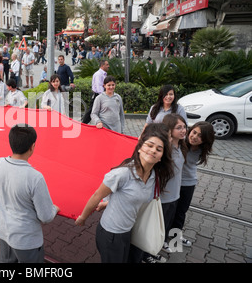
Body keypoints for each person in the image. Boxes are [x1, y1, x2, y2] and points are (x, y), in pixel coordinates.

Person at [75, 123, 174, 263]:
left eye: (159, 149)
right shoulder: (122, 174)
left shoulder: (153, 177)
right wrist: (83, 217)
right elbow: (97, 195)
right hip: (111, 234)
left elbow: (134, 198)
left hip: (128, 231)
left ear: (161, 157)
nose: (153, 150)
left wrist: (108, 203)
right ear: (140, 148)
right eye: (149, 145)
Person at [0, 124, 59, 263]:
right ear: (32, 147)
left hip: (4, 231)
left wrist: (3, 203)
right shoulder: (35, 177)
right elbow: (45, 216)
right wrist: (54, 208)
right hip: (26, 240)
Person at [142, 113, 187, 262]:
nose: (183, 130)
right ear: (170, 131)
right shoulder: (165, 152)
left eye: (184, 127)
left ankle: (155, 249)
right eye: (178, 128)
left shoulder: (180, 146)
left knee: (165, 225)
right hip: (163, 197)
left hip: (174, 196)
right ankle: (147, 255)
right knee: (154, 228)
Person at [172, 121, 215, 247]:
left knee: (181, 212)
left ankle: (175, 237)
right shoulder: (179, 143)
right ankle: (162, 239)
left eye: (200, 136)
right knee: (169, 212)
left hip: (189, 184)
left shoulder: (202, 149)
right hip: (174, 183)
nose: (195, 137)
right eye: (194, 132)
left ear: (205, 139)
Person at [82, 60, 110, 124]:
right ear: (102, 66)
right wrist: (103, 96)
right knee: (91, 110)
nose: (108, 66)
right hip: (97, 95)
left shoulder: (103, 74)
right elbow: (99, 87)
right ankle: (83, 124)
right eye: (107, 65)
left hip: (101, 94)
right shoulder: (98, 74)